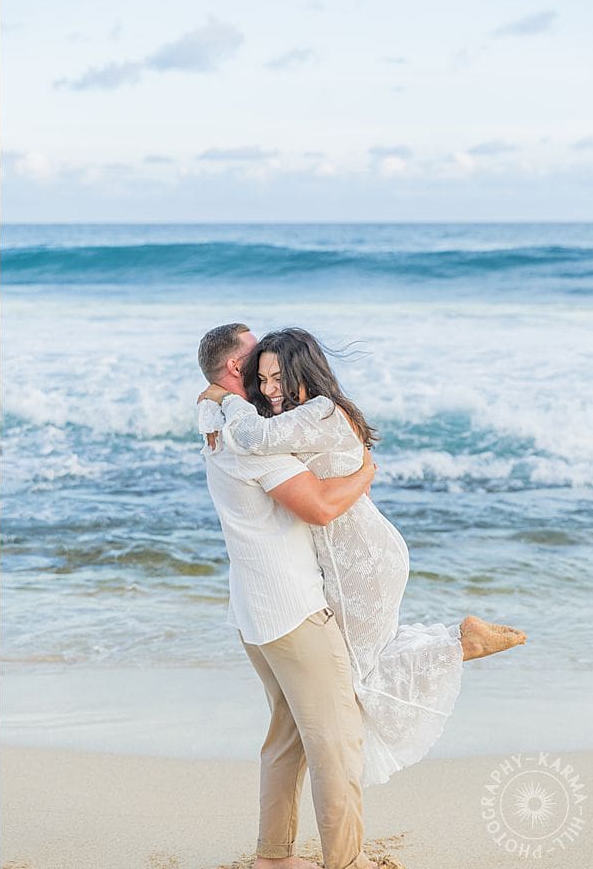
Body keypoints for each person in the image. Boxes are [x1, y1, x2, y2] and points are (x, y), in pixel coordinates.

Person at [198, 328, 526, 791]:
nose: (266, 388)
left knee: (353, 679)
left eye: (276, 378)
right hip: (353, 556)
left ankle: (457, 644)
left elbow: (252, 437)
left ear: (302, 374)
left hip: (362, 559)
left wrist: (217, 398)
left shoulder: (320, 411)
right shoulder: (311, 412)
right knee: (357, 669)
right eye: (261, 377)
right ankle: (454, 642)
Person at [197, 323, 378, 869]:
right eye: (256, 365)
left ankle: (274, 857)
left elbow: (214, 405)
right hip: (294, 611)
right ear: (236, 371)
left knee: (287, 737)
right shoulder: (252, 444)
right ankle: (344, 863)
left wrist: (211, 397)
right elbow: (320, 507)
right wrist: (367, 470)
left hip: (253, 610)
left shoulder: (214, 419)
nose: (265, 379)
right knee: (337, 746)